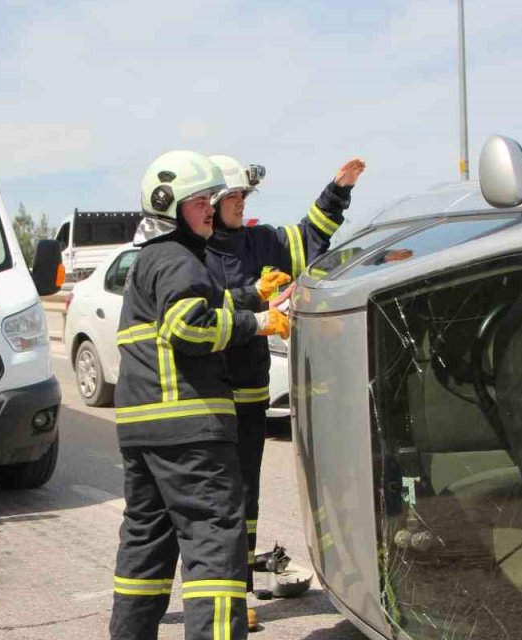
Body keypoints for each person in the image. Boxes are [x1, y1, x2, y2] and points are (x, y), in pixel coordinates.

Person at [109, 150, 291, 640]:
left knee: (146, 544)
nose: (211, 208)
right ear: (168, 206)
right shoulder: (178, 259)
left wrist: (251, 294)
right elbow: (189, 327)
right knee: (214, 545)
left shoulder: (152, 260)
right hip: (190, 433)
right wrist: (257, 322)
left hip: (144, 431)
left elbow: (194, 304)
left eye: (212, 199)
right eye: (199, 201)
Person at [202, 155, 364, 618]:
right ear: (212, 202)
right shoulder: (192, 253)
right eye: (234, 196)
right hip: (208, 397)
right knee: (218, 501)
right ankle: (221, 601)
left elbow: (309, 237)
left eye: (243, 196)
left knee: (246, 498)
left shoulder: (260, 240)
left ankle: (238, 594)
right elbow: (200, 312)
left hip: (250, 393)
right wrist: (253, 300)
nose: (240, 203)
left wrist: (337, 190)